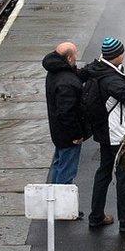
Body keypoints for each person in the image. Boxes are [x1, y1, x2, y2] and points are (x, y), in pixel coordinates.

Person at [82, 37, 125, 232]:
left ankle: (96, 216)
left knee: (103, 174)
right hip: (119, 135)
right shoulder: (111, 79)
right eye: (122, 53)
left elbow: (119, 85)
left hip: (104, 133)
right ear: (117, 55)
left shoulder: (98, 70)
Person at [43, 41, 85, 184]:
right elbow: (67, 113)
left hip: (58, 133)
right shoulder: (66, 82)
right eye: (75, 55)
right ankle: (61, 203)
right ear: (68, 58)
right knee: (67, 172)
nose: (76, 57)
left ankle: (52, 199)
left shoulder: (54, 71)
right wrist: (77, 135)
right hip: (68, 137)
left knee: (58, 165)